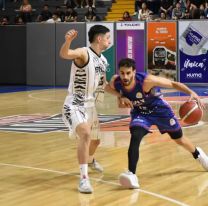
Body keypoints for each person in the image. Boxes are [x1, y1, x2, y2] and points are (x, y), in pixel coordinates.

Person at [105, 58, 208, 189]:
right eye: (122, 73)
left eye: (128, 73)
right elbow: (107, 88)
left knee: (179, 139)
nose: (125, 76)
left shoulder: (147, 81)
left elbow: (173, 84)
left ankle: (198, 155)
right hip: (141, 113)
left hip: (160, 110)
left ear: (134, 72)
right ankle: (132, 174)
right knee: (135, 136)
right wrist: (120, 96)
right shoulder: (116, 81)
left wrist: (191, 92)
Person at [60, 25, 111, 193]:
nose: (109, 41)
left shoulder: (103, 60)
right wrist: (67, 41)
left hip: (90, 105)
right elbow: (65, 54)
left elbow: (105, 86)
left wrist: (122, 96)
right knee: (85, 134)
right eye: (107, 38)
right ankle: (83, 179)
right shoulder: (83, 53)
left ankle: (89, 160)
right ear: (99, 39)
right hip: (74, 103)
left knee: (96, 141)